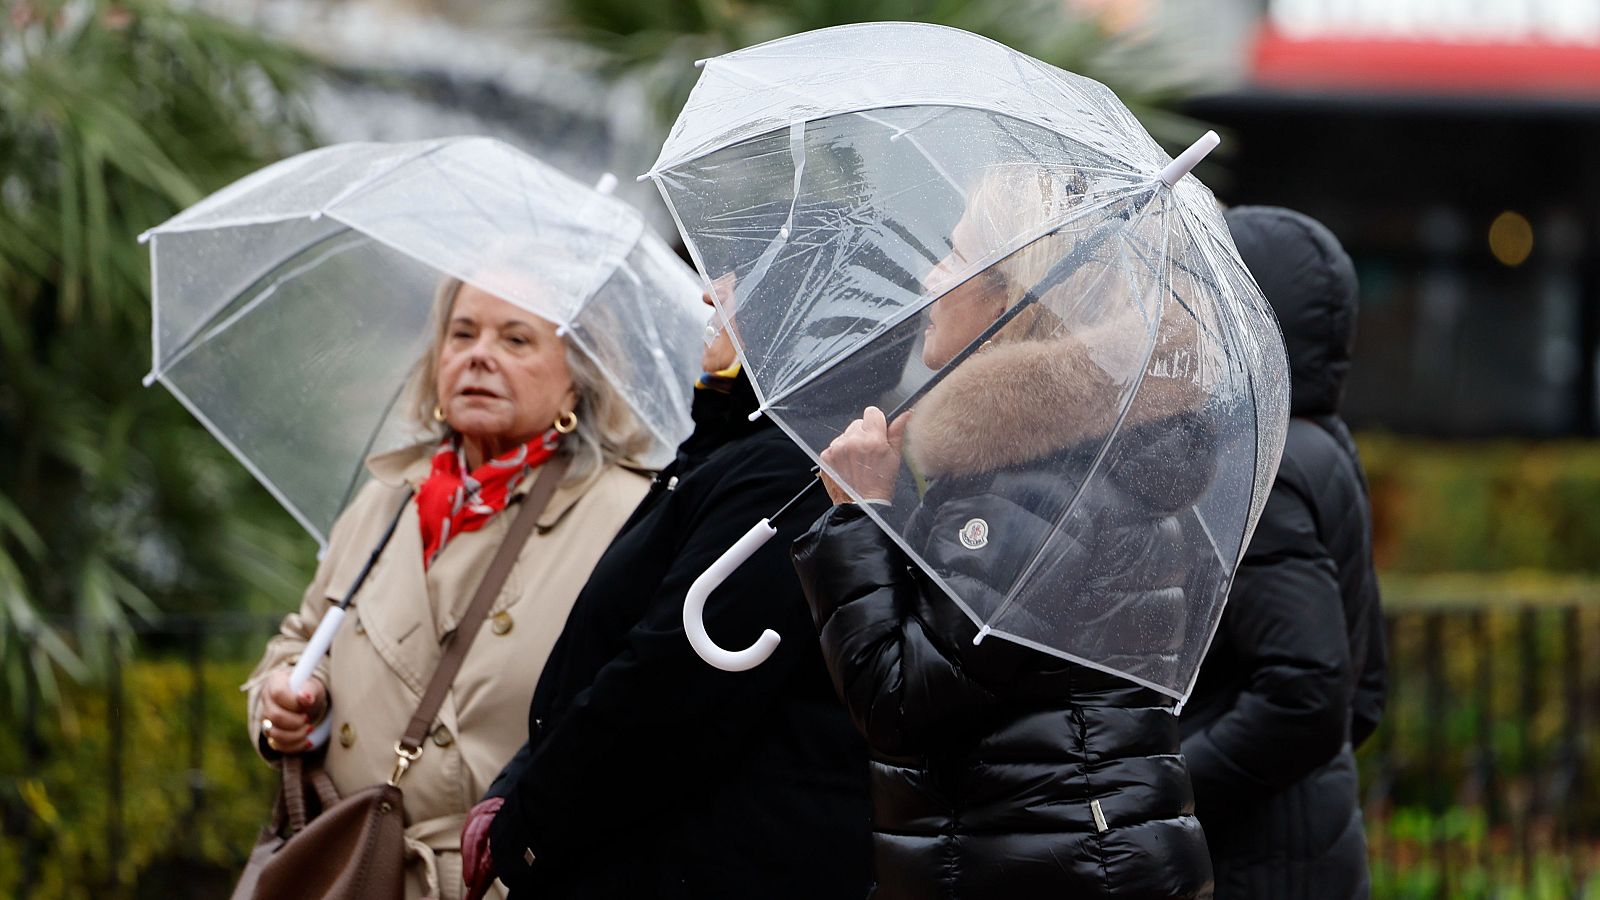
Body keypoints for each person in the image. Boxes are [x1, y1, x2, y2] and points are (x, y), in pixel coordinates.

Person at [789, 169, 1216, 899]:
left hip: (1051, 868)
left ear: (1013, 297)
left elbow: (901, 700)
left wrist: (857, 516)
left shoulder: (1040, 478)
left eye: (955, 257)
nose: (930, 276)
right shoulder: (1050, 456)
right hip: (1045, 855)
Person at [244, 276, 655, 900]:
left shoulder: (628, 513)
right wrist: (286, 707)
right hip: (358, 869)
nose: (478, 354)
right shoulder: (387, 496)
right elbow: (301, 639)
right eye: (462, 333)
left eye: (516, 339)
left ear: (578, 373)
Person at [464, 286, 873, 900]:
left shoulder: (789, 474)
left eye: (743, 279)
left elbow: (667, 685)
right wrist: (518, 783)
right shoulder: (734, 448)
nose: (713, 293)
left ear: (790, 308)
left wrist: (527, 824)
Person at [1178, 205, 1385, 900]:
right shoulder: (1321, 444)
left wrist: (1165, 786)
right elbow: (1365, 689)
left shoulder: (1261, 460)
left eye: (1201, 288)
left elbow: (1307, 692)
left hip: (1257, 863)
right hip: (1303, 845)